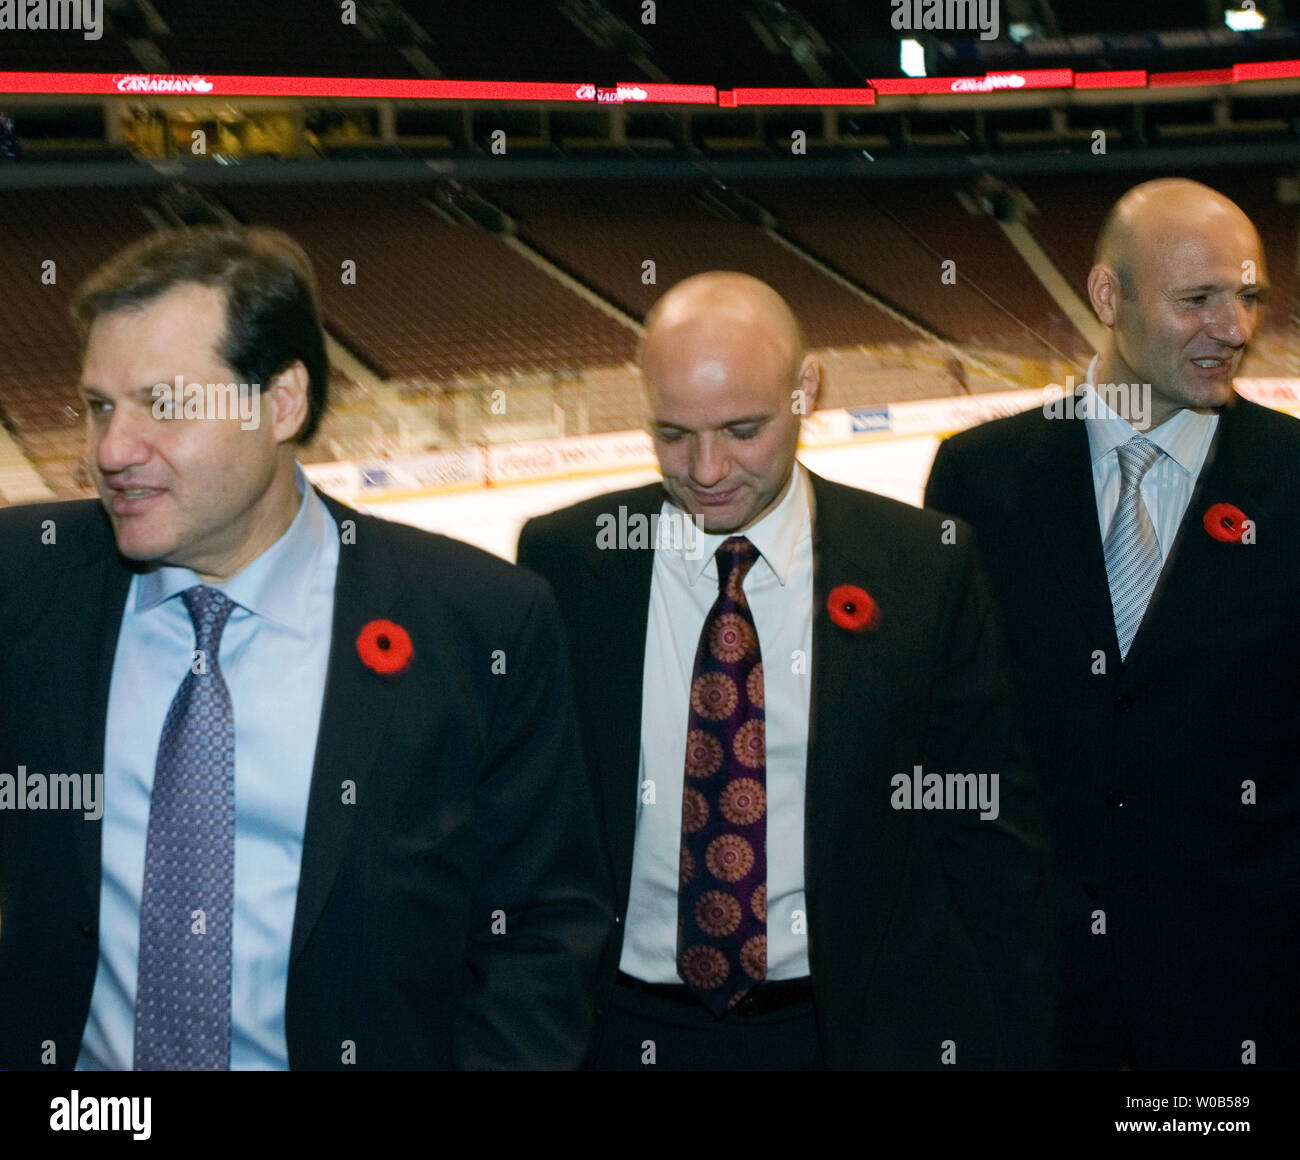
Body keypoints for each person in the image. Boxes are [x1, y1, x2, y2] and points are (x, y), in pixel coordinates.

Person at [0, 226, 612, 1070]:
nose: (109, 451)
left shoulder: (482, 622)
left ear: (280, 403)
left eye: (164, 404)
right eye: (101, 405)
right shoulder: (23, 579)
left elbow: (543, 933)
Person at [517, 271, 1050, 1070]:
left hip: (841, 1034)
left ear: (807, 390)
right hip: (620, 1032)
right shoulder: (567, 561)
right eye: (671, 434)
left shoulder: (920, 568)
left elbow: (989, 838)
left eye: (742, 429)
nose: (705, 469)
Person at [925, 178, 1300, 1070]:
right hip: (1041, 999)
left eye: (1248, 297)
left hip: (1244, 1003)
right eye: (1197, 299)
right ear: (1107, 296)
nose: (1235, 330)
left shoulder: (1294, 477)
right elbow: (955, 734)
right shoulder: (979, 477)